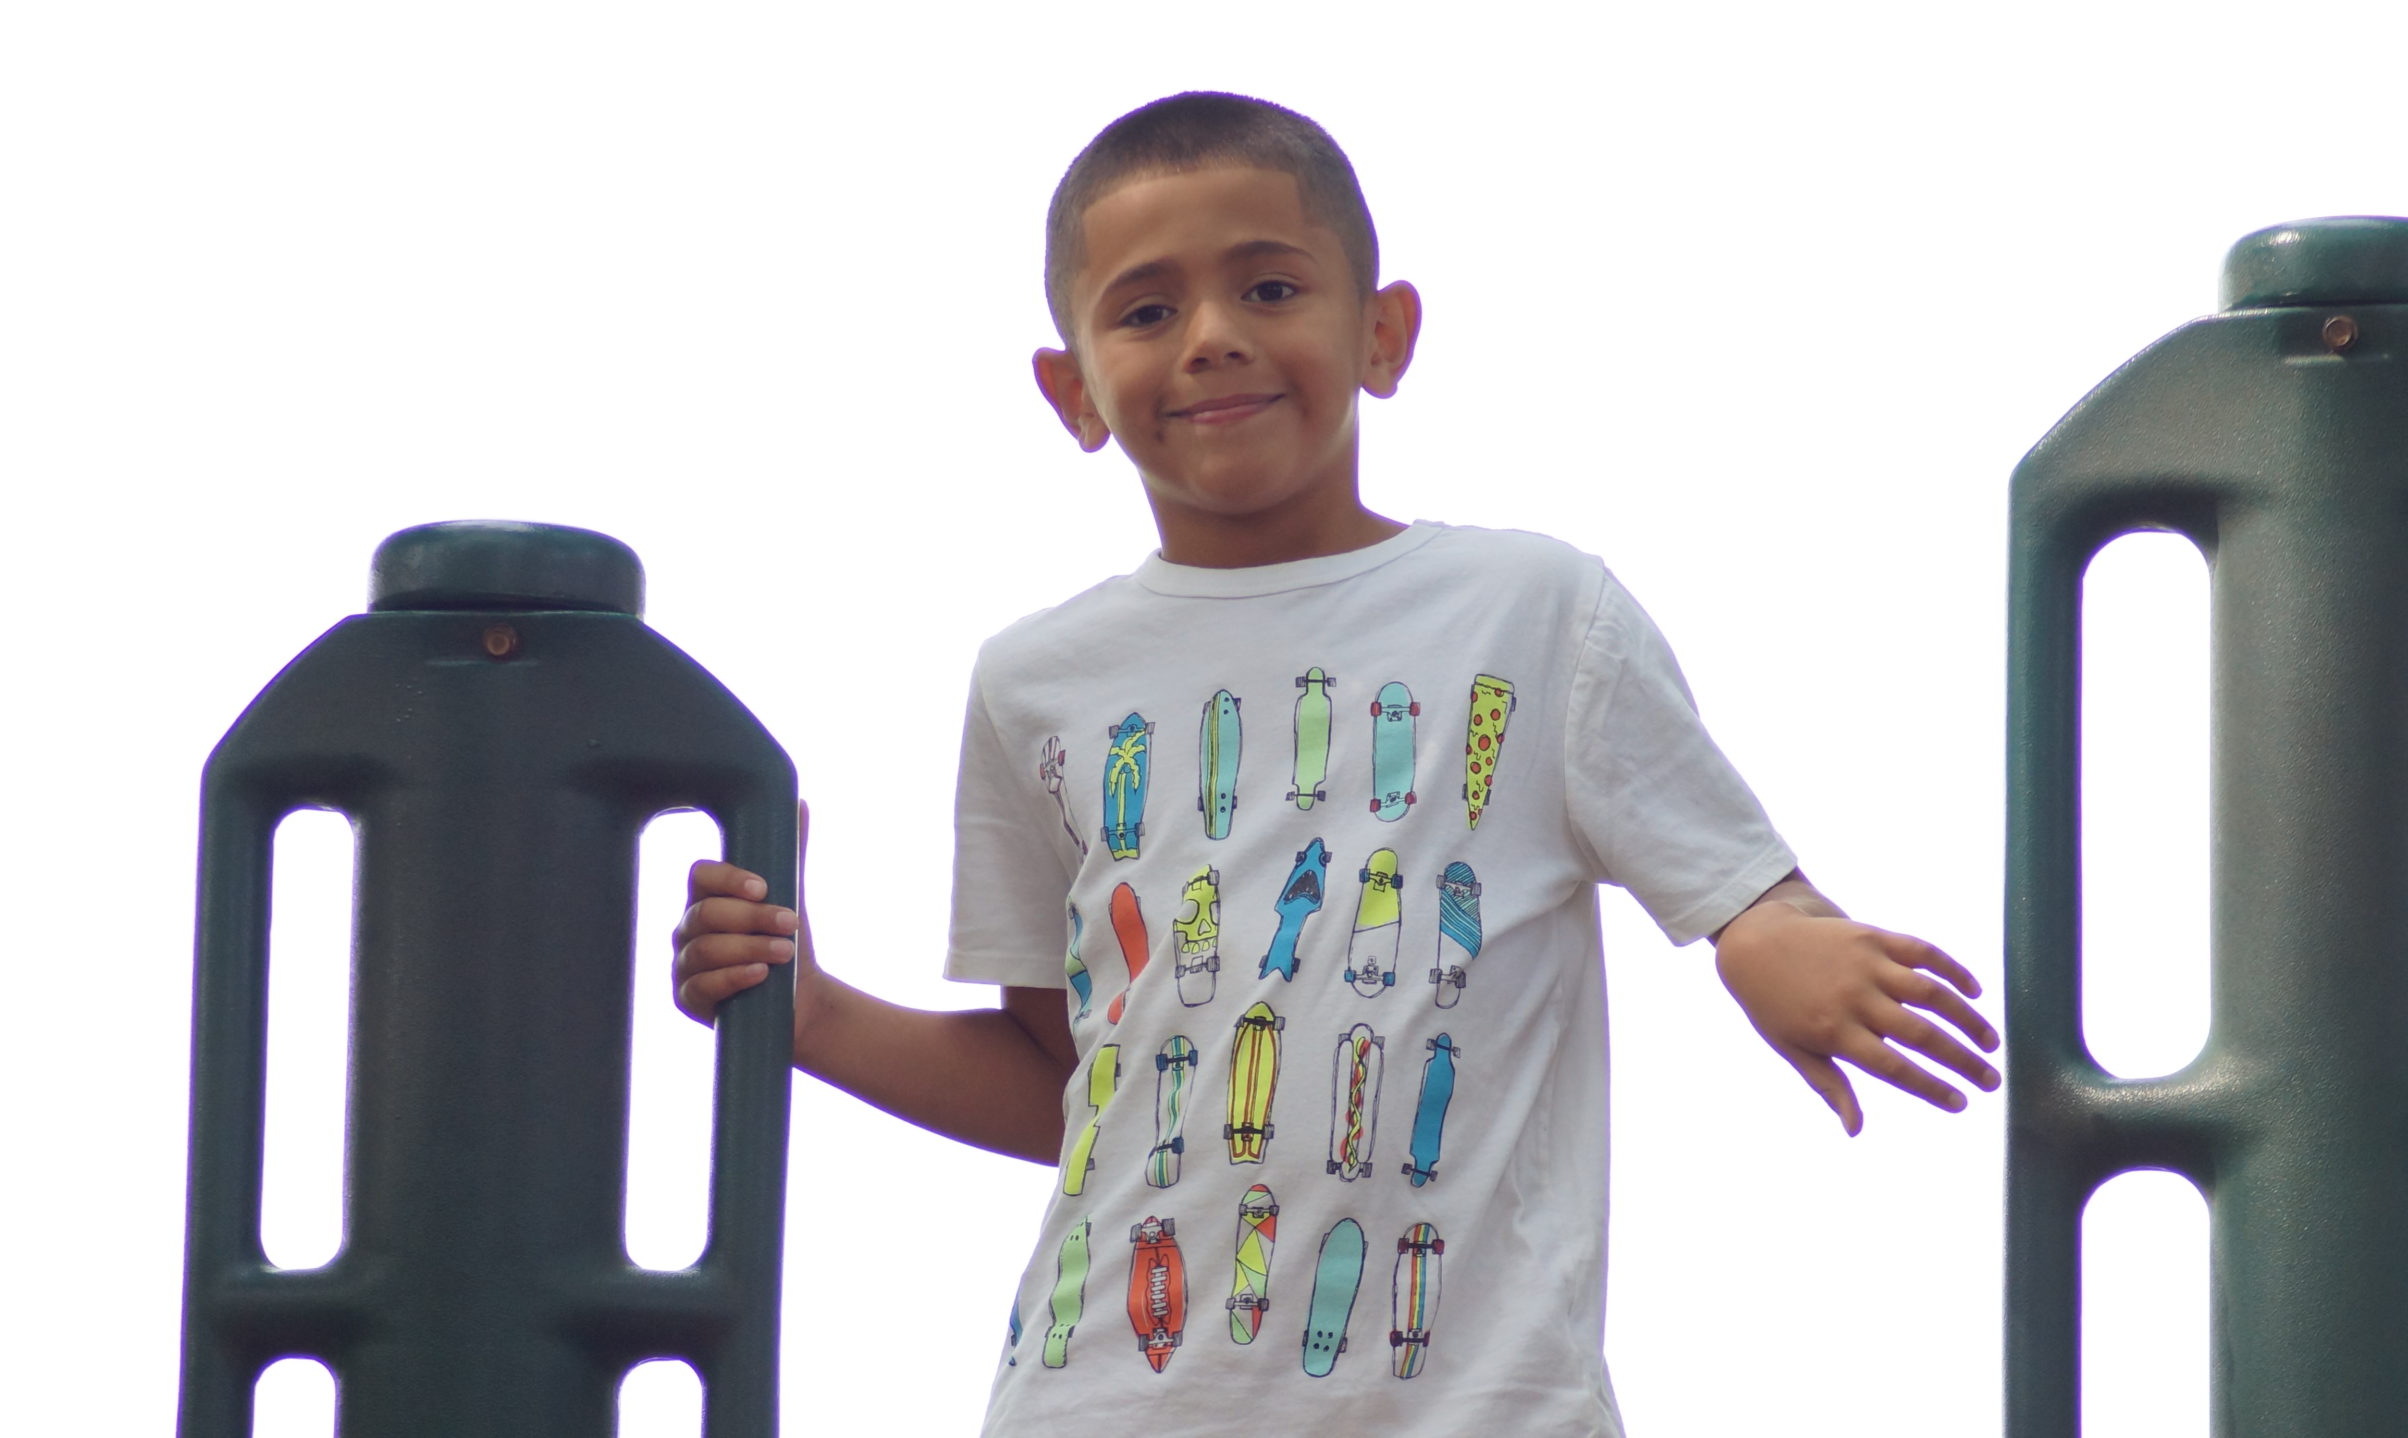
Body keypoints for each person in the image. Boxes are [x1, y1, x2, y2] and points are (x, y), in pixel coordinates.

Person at [670, 91, 1999, 1434]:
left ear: (1383, 333)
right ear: (1073, 393)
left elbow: (1741, 886)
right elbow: (1065, 1079)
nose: (1212, 336)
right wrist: (817, 1015)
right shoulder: (1035, 682)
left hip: (1477, 1409)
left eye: (1269, 286)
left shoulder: (1532, 611)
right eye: (1147, 310)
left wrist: (1770, 935)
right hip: (1107, 1403)